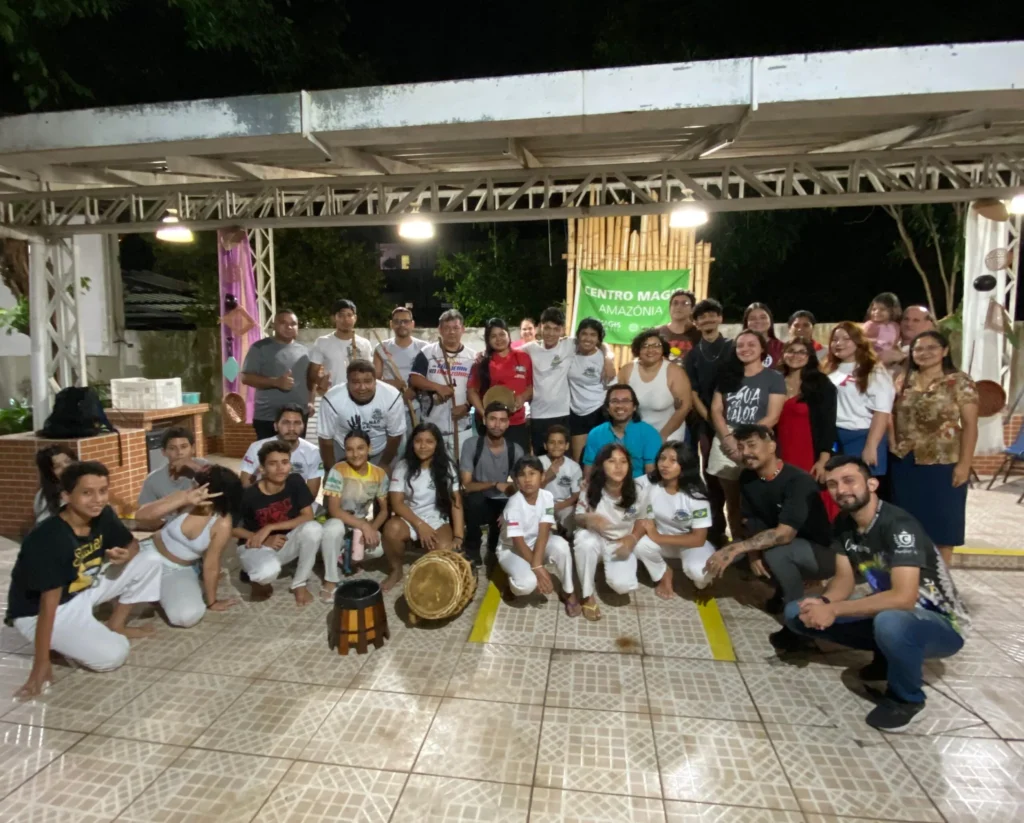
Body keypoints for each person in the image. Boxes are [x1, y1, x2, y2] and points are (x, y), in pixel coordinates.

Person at [785, 455, 969, 732]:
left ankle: (908, 700)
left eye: (849, 481)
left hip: (940, 624)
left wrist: (835, 610)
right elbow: (844, 580)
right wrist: (823, 602)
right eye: (833, 484)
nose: (841, 490)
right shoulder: (845, 524)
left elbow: (903, 598)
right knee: (795, 612)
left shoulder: (899, 526)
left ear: (871, 484)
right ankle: (887, 656)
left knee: (890, 621)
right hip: (894, 615)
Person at [8, 462, 162, 697]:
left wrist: (126, 555)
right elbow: (48, 605)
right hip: (41, 611)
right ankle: (58, 643)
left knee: (150, 559)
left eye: (103, 491)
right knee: (113, 656)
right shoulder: (48, 538)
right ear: (66, 496)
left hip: (82, 589)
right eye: (87, 493)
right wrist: (40, 664)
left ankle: (116, 624)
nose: (98, 499)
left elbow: (131, 543)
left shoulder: (103, 515)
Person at [705, 425, 836, 649]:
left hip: (820, 553)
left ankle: (798, 625)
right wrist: (752, 553)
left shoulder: (798, 481)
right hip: (782, 545)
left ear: (772, 446)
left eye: (752, 445)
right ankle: (781, 590)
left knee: (774, 551)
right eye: (741, 447)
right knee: (733, 556)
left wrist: (740, 548)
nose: (746, 452)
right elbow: (751, 522)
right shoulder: (748, 477)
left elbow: (784, 534)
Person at [890, 330, 978, 567]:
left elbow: (970, 425)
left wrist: (964, 464)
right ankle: (906, 583)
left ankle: (939, 584)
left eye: (931, 348)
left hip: (943, 463)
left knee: (942, 528)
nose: (924, 353)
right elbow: (889, 415)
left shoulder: (959, 381)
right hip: (904, 463)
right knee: (905, 528)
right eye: (918, 349)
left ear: (945, 351)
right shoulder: (902, 379)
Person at [134, 465, 244, 627]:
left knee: (186, 617)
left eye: (198, 483)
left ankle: (159, 591)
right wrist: (183, 499)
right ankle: (152, 589)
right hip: (146, 553)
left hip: (176, 570)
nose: (193, 486)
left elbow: (211, 564)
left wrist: (212, 602)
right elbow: (141, 516)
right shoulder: (184, 496)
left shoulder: (221, 524)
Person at [707, 330, 786, 541]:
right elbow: (716, 409)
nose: (745, 349)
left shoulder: (774, 378)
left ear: (762, 348)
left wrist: (745, 440)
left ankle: (760, 546)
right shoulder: (727, 375)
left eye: (751, 344)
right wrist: (728, 438)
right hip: (727, 439)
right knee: (732, 500)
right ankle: (739, 545)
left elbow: (773, 416)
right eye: (740, 345)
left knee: (757, 498)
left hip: (757, 439)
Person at [233, 440, 324, 605]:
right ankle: (255, 577)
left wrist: (270, 527)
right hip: (254, 545)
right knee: (266, 573)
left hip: (283, 542)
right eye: (273, 464)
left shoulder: (295, 482)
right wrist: (262, 539)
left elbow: (307, 516)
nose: (280, 468)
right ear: (262, 468)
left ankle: (299, 584)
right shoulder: (248, 494)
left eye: (284, 462)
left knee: (314, 528)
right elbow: (232, 529)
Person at [382, 422, 464, 592]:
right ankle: (396, 570)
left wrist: (458, 536)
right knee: (391, 529)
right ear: (412, 443)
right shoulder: (403, 466)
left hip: (436, 518)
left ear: (437, 444)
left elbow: (457, 503)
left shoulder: (447, 467)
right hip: (409, 517)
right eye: (418, 441)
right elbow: (397, 503)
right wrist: (420, 525)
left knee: (443, 553)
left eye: (429, 441)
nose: (423, 446)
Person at [573, 444, 648, 620]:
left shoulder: (638, 491)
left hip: (621, 541)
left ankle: (604, 567)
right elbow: (577, 518)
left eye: (623, 461)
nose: (618, 466)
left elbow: (643, 520)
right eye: (612, 461)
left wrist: (632, 538)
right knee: (584, 540)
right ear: (601, 465)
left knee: (622, 587)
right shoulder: (591, 488)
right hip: (597, 538)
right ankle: (587, 595)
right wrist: (588, 519)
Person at [498, 456, 579, 615]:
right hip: (511, 550)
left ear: (542, 476)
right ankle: (512, 584)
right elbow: (518, 542)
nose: (527, 479)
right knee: (527, 584)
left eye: (532, 473)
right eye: (522, 475)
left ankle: (568, 591)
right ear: (516, 481)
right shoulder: (514, 504)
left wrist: (538, 566)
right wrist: (539, 569)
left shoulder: (547, 497)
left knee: (561, 546)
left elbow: (544, 532)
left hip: (536, 543)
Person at [636, 441, 717, 598]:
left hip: (689, 544)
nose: (665, 464)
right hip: (661, 541)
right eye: (662, 458)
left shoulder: (696, 497)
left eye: (673, 460)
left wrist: (657, 536)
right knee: (638, 544)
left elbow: (698, 539)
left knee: (699, 573)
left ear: (685, 464)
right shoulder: (651, 485)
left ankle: (704, 583)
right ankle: (663, 574)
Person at [320, 430, 390, 601]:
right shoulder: (338, 470)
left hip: (358, 526)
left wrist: (372, 529)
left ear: (369, 449)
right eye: (349, 449)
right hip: (338, 521)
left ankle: (347, 559)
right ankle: (330, 580)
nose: (355, 454)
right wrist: (364, 525)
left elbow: (384, 510)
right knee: (333, 528)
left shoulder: (379, 474)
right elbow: (334, 510)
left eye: (360, 448)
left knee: (378, 548)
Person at [684, 298, 731, 544]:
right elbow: (692, 393)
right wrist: (711, 419)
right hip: (705, 422)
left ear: (720, 318)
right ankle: (717, 528)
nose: (707, 320)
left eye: (712, 315)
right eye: (702, 317)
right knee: (710, 474)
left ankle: (742, 524)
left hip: (735, 421)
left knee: (738, 472)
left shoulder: (733, 348)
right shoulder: (692, 355)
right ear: (696, 322)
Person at [777, 338, 839, 520]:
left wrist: (823, 460)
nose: (795, 356)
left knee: (809, 497)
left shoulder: (821, 384)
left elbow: (828, 425)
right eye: (791, 351)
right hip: (779, 450)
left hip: (807, 451)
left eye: (801, 352)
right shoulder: (774, 380)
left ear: (810, 356)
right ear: (783, 354)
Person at [823, 322, 894, 478]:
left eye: (846, 339)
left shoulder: (873, 371)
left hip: (861, 437)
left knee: (861, 487)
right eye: (835, 339)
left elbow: (882, 411)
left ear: (858, 342)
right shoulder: (829, 370)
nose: (839, 343)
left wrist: (871, 446)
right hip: (835, 437)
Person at [459, 402, 525, 567]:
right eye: (493, 419)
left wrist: (512, 502)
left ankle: (494, 546)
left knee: (510, 504)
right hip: (480, 500)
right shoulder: (472, 445)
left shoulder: (515, 450)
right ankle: (472, 547)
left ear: (508, 423)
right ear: (484, 421)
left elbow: (521, 486)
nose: (497, 424)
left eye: (502, 420)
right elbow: (466, 485)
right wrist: (495, 484)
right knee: (473, 499)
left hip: (501, 502)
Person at [409, 309, 476, 460]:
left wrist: (466, 407)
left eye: (455, 328)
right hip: (432, 427)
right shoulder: (428, 353)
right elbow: (415, 378)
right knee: (433, 469)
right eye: (447, 328)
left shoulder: (472, 357)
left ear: (463, 329)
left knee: (460, 470)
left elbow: (477, 389)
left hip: (461, 426)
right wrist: (438, 387)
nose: (451, 332)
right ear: (439, 330)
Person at [317, 360, 406, 469]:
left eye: (368, 381)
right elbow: (325, 439)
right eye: (355, 382)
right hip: (344, 449)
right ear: (347, 382)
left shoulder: (392, 397)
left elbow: (395, 436)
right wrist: (331, 470)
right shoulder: (332, 399)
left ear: (375, 381)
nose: (362, 388)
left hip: (381, 448)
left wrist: (384, 465)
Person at [240, 309, 313, 439]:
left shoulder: (305, 350)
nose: (289, 327)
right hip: (268, 417)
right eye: (283, 323)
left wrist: (311, 401)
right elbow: (246, 377)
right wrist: (276, 382)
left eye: (293, 323)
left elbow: (310, 380)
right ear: (274, 325)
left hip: (298, 417)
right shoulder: (259, 348)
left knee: (295, 455)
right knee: (269, 456)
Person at [467, 317, 533, 454]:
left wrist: (523, 397)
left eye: (502, 334)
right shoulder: (482, 363)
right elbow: (472, 391)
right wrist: (484, 413)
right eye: (493, 336)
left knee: (519, 467)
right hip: (492, 426)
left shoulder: (523, 357)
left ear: (508, 334)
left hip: (517, 424)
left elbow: (530, 387)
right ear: (488, 340)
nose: (499, 339)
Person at [618, 328, 692, 442]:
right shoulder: (627, 370)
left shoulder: (675, 372)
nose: (650, 350)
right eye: (645, 346)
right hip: (635, 433)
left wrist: (662, 435)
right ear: (638, 350)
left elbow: (684, 407)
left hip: (668, 434)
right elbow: (619, 402)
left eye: (656, 345)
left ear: (663, 349)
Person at [239, 404, 323, 498]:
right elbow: (245, 484)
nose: (291, 428)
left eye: (297, 423)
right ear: (275, 426)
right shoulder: (256, 448)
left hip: (298, 503)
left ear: (303, 426)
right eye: (286, 423)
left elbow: (311, 493)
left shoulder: (313, 452)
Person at [523, 307, 575, 457]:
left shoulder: (569, 345)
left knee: (563, 459)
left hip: (562, 413)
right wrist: (483, 354)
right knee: (540, 460)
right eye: (547, 328)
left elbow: (597, 342)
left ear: (562, 330)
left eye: (555, 329)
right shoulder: (530, 349)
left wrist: (609, 357)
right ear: (540, 327)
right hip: (538, 415)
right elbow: (507, 352)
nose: (551, 333)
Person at [582, 385, 661, 479]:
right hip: (604, 488)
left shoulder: (650, 434)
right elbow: (588, 473)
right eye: (614, 401)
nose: (619, 406)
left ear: (634, 406)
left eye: (625, 401)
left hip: (639, 488)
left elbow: (651, 475)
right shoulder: (595, 434)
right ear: (607, 407)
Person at [136, 427, 208, 527]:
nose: (179, 453)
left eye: (184, 447)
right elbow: (142, 516)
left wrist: (195, 468)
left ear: (192, 449)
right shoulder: (153, 480)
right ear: (163, 452)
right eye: (172, 448)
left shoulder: (205, 467)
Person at [567, 317, 617, 461]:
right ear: (578, 335)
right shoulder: (571, 351)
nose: (588, 338)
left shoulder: (603, 359)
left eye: (593, 335)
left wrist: (608, 358)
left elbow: (613, 390)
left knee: (602, 459)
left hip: (599, 411)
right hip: (576, 412)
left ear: (599, 339)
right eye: (584, 333)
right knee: (578, 460)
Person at [373, 305, 427, 431]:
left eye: (406, 321)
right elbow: (374, 380)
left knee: (415, 446)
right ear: (391, 324)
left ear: (412, 324)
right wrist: (392, 384)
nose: (401, 325)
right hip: (390, 407)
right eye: (397, 322)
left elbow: (429, 377)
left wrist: (414, 390)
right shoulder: (381, 348)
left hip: (418, 407)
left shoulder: (424, 348)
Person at [307, 299, 374, 393]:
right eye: (341, 315)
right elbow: (312, 372)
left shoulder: (364, 344)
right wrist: (321, 381)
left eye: (349, 315)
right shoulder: (322, 342)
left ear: (355, 318)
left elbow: (370, 372)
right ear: (334, 318)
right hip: (333, 396)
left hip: (359, 395)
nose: (346, 319)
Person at [538, 424, 582, 535]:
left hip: (564, 505)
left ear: (567, 446)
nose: (556, 446)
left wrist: (557, 507)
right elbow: (530, 491)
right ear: (545, 445)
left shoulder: (574, 467)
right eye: (552, 442)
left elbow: (576, 495)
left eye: (560, 442)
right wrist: (546, 478)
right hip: (540, 505)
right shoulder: (537, 463)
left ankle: (569, 540)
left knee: (572, 519)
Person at [880, 304, 936, 375]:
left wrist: (902, 359)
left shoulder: (931, 351)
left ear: (928, 325)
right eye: (906, 319)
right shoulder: (886, 344)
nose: (909, 324)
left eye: (916, 320)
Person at [656, 288, 702, 367]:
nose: (679, 307)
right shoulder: (657, 333)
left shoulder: (700, 334)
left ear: (692, 309)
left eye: (685, 303)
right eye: (675, 303)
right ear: (670, 308)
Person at [33, 445, 76, 524]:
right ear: (49, 474)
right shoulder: (44, 497)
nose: (65, 467)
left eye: (68, 461)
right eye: (57, 466)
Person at [743, 302, 784, 369]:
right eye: (752, 318)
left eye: (763, 317)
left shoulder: (782, 347)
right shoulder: (739, 348)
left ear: (770, 320)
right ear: (746, 323)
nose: (758, 321)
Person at [863, 292, 902, 360]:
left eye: (882, 309)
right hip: (872, 357)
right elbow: (862, 341)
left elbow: (894, 344)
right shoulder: (870, 325)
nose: (877, 312)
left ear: (892, 311)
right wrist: (875, 342)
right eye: (874, 309)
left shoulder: (895, 326)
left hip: (889, 356)